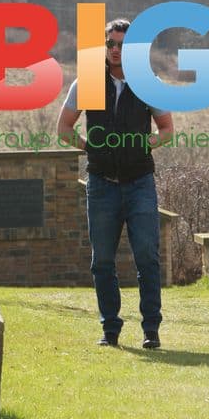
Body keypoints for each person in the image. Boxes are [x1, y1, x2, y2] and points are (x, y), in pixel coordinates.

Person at [57, 18, 174, 349]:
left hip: (140, 183)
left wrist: (143, 144)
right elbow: (63, 129)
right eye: (111, 44)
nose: (116, 50)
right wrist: (89, 146)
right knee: (103, 261)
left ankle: (151, 329)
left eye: (123, 44)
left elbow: (167, 130)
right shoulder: (88, 82)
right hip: (102, 184)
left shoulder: (147, 83)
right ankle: (110, 330)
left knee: (147, 257)